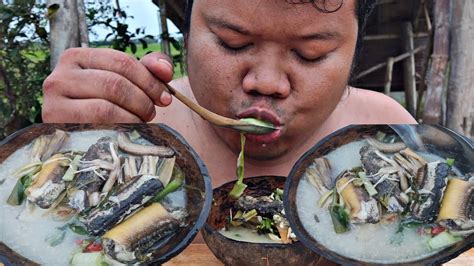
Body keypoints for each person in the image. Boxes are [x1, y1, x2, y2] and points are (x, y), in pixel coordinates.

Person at [42, 0, 416, 188]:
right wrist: (62, 150)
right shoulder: (134, 129)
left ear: (354, 52)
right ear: (187, 33)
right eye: (232, 43)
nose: (267, 83)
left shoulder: (388, 133)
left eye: (309, 54)